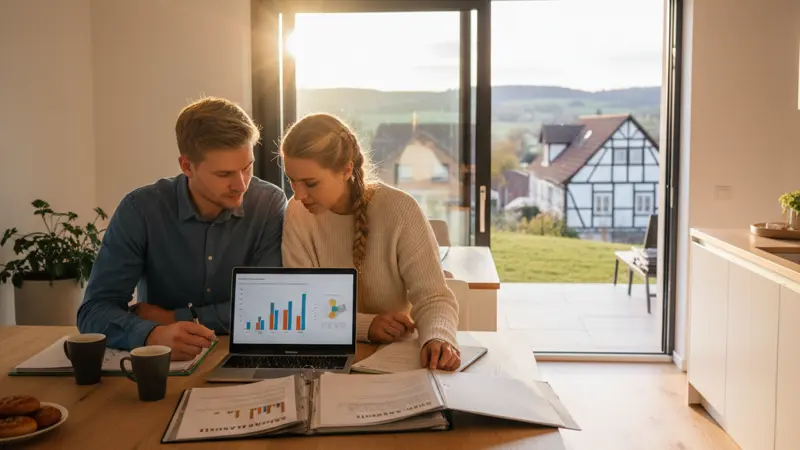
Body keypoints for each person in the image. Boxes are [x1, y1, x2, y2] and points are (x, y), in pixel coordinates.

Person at [77, 97, 287, 361]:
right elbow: (94, 310)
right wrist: (151, 335)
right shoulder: (141, 209)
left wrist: (174, 318)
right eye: (224, 175)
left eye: (247, 168)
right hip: (166, 360)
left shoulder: (268, 204)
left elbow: (268, 306)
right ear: (187, 166)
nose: (241, 185)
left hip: (243, 357)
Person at [280, 112, 461, 371]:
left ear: (346, 169)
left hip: (393, 361)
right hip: (326, 361)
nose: (298, 195)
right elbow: (302, 307)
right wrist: (366, 326)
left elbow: (433, 296)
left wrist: (438, 337)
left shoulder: (400, 210)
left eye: (310, 183)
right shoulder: (297, 213)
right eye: (291, 181)